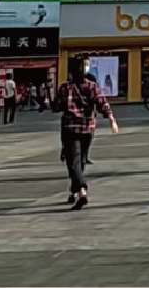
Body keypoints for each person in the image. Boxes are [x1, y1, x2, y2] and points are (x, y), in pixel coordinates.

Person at [51, 56, 118, 211]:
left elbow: (57, 108)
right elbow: (102, 103)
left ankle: (81, 190)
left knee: (73, 161)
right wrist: (111, 119)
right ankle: (74, 191)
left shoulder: (65, 88)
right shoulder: (92, 86)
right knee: (80, 160)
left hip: (70, 129)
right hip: (88, 129)